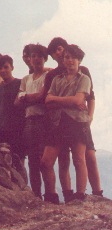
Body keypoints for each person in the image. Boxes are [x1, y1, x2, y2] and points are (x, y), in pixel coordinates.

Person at [43, 37, 102, 202]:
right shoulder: (56, 78)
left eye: (72, 57)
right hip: (58, 122)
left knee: (79, 159)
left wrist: (58, 100)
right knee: (47, 161)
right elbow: (48, 101)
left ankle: (81, 195)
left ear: (79, 60)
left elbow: (80, 100)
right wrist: (70, 101)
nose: (68, 60)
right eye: (66, 57)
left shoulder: (84, 78)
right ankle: (53, 196)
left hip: (77, 122)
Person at [15, 44, 49, 199]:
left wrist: (26, 98)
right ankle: (37, 196)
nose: (36, 59)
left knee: (45, 160)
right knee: (33, 161)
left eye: (39, 56)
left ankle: (50, 195)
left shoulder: (48, 75)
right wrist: (32, 98)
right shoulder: (26, 79)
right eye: (33, 56)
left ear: (45, 58)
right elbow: (17, 102)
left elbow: (43, 97)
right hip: (29, 122)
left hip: (44, 121)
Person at [0, 55, 26, 161]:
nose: (3, 70)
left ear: (12, 67)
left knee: (19, 162)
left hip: (18, 130)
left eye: (6, 67)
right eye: (0, 68)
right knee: (4, 163)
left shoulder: (20, 83)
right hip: (1, 130)